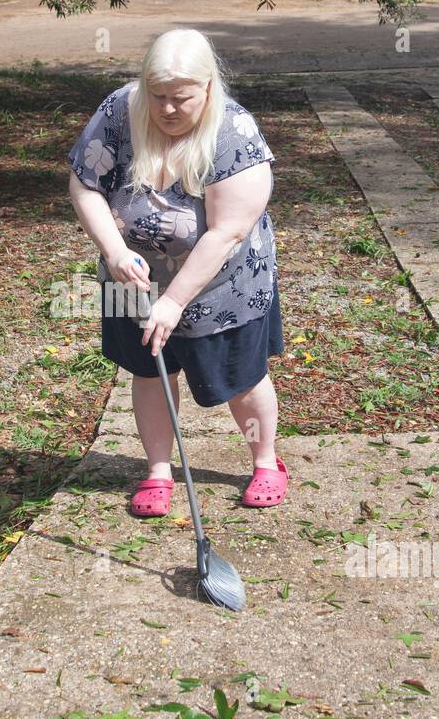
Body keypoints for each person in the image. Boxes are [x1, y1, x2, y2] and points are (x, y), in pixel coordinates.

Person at [66, 28, 287, 518]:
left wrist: (174, 301)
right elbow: (85, 185)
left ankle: (266, 462)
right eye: (157, 96)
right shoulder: (120, 110)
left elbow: (226, 233)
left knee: (241, 378)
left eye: (180, 99)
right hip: (133, 279)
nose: (166, 109)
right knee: (148, 372)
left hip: (222, 283)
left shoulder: (234, 133)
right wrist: (114, 251)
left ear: (208, 88)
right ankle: (158, 471)